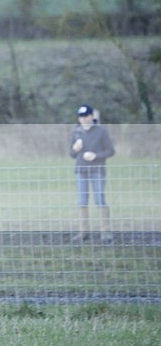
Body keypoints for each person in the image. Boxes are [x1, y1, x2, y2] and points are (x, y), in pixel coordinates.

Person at [69, 104, 115, 243]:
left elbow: (110, 151)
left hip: (97, 171)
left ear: (91, 116)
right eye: (81, 117)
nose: (83, 119)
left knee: (100, 200)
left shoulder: (101, 132)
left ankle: (105, 233)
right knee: (82, 201)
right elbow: (71, 154)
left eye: (86, 116)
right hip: (81, 171)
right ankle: (84, 232)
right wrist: (75, 149)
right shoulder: (76, 132)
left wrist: (96, 155)